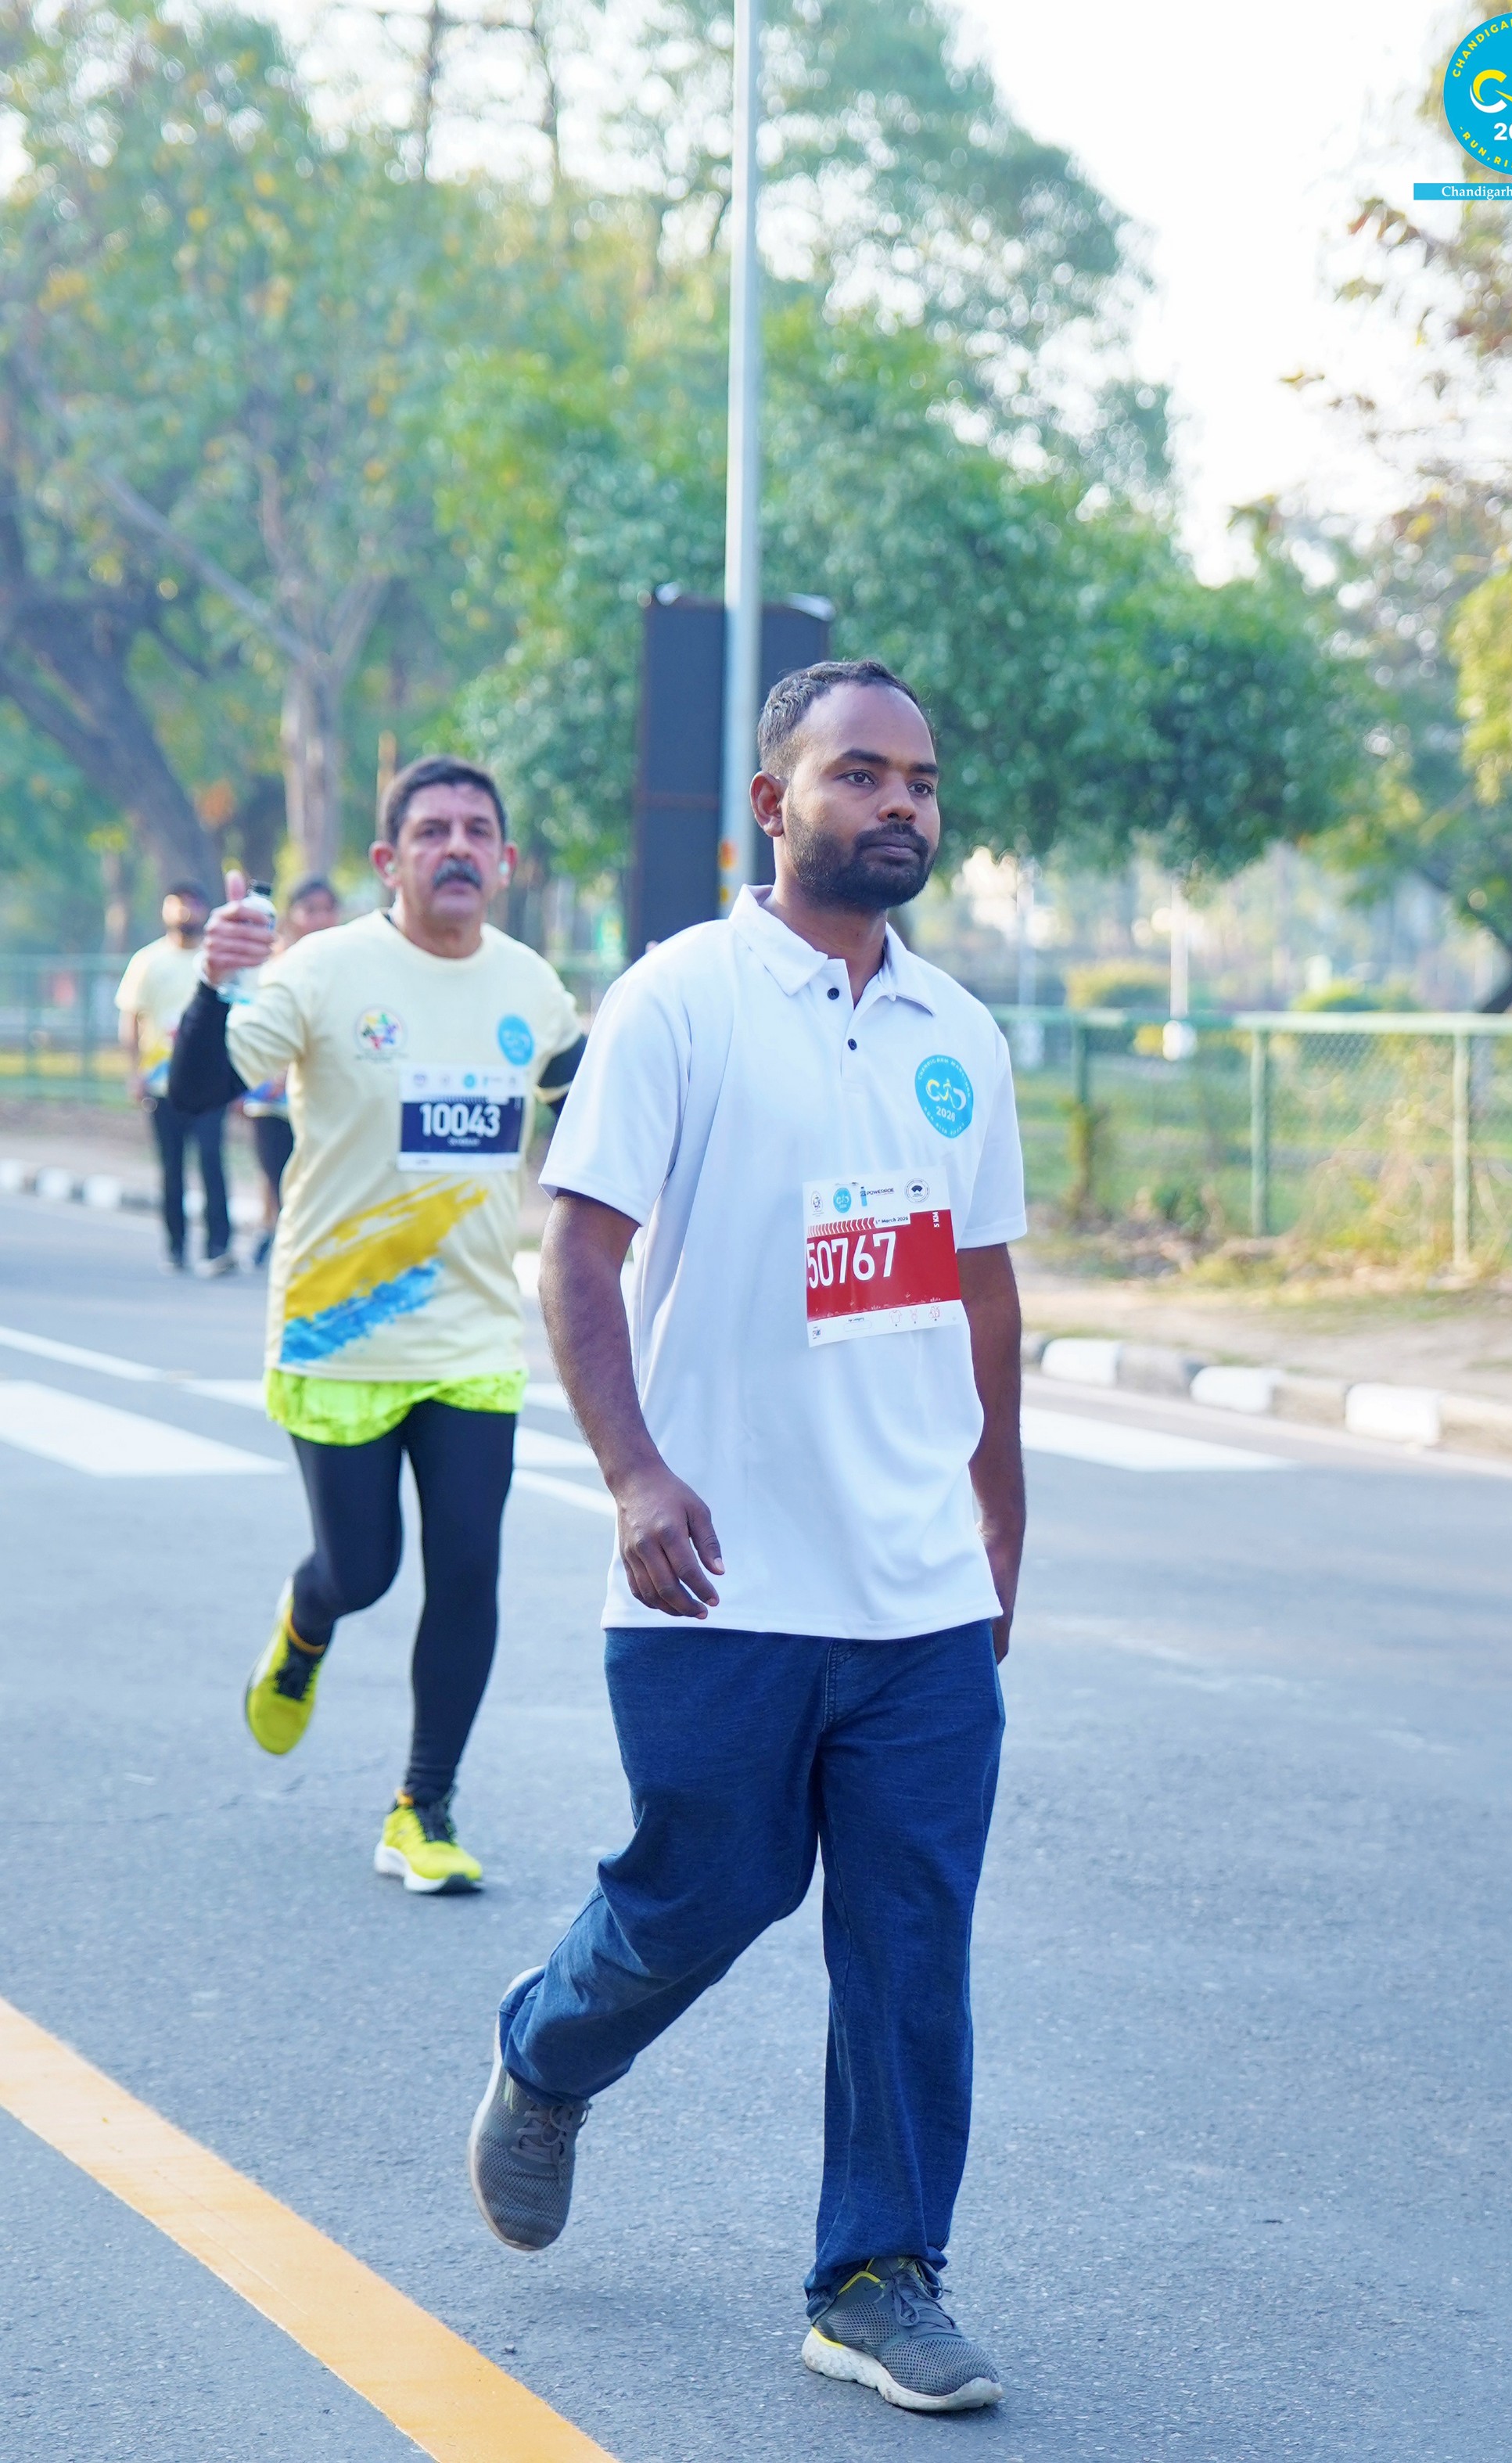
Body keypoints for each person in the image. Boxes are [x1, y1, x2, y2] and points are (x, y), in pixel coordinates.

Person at [468, 661, 1027, 2414]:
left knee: (908, 1936)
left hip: (915, 1588)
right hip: (713, 1582)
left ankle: (875, 2273)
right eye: (858, 773)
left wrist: (999, 1519)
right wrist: (636, 1476)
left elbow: (980, 1289)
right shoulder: (679, 1001)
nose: (898, 803)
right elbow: (577, 1251)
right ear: (772, 802)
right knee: (706, 1888)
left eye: (917, 778)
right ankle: (549, 2045)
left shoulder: (958, 1033)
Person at [169, 757, 584, 1893]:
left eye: (477, 831)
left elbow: (591, 1103)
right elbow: (197, 1090)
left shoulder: (531, 985)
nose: (457, 847)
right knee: (362, 1570)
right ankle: (306, 1621)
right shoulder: (322, 971)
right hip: (337, 1333)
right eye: (432, 830)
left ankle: (421, 1807)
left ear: (505, 861)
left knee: (468, 1570)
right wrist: (215, 985)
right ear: (386, 860)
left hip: (472, 1341)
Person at [115, 882, 234, 1275]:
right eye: (178, 904)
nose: (185, 912)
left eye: (193, 904)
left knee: (212, 1160)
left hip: (211, 1081)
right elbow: (132, 1019)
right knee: (172, 1166)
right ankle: (176, 1245)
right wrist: (134, 1073)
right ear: (165, 909)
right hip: (163, 1084)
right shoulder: (148, 961)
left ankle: (219, 1246)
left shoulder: (215, 962)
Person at [241, 876, 342, 1267]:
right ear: (291, 915)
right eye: (310, 909)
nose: (319, 918)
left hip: (325, 1095)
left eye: (327, 909)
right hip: (273, 1096)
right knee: (275, 1169)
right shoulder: (272, 967)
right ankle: (273, 1230)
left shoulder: (347, 966)